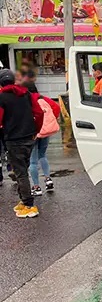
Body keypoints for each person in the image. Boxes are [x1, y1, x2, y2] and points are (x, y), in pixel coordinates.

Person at [0, 70, 44, 218]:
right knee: (22, 169)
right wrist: (35, 129)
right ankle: (22, 200)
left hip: (13, 139)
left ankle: (29, 204)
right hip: (29, 137)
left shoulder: (2, 98)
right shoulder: (26, 94)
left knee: (20, 173)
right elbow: (39, 113)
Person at [29, 93, 60, 196]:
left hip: (33, 133)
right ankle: (48, 179)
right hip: (45, 131)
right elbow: (56, 107)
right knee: (42, 155)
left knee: (33, 161)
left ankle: (36, 187)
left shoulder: (26, 100)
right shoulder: (43, 99)